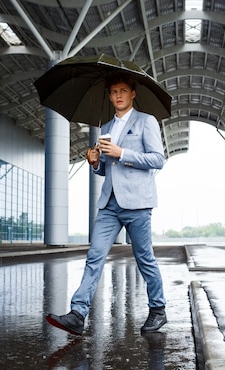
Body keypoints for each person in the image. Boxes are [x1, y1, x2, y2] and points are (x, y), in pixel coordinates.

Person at [46, 71, 167, 335]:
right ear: (109, 96)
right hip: (110, 203)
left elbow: (158, 159)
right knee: (94, 256)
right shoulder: (106, 128)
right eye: (113, 92)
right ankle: (78, 313)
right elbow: (106, 170)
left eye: (123, 91)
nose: (118, 96)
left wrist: (122, 153)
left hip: (137, 203)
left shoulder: (147, 121)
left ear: (132, 93)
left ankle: (158, 309)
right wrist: (95, 162)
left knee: (144, 258)